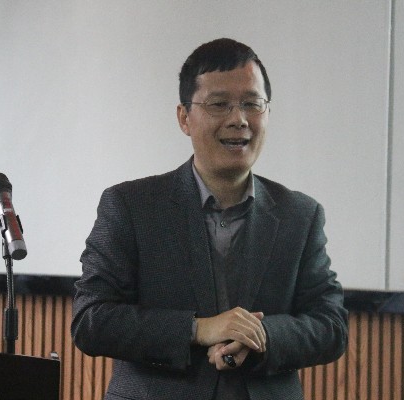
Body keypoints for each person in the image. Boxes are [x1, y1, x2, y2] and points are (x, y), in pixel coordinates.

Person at [71, 38, 348, 400]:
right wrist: (198, 329)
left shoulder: (300, 214)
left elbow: (331, 325)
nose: (239, 119)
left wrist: (262, 336)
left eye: (252, 104)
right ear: (184, 118)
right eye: (219, 104)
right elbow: (92, 320)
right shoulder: (130, 206)